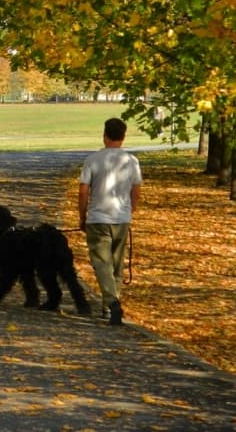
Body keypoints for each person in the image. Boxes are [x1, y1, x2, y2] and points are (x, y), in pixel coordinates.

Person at [78, 117, 142, 325]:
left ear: (104, 135)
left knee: (102, 263)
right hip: (121, 218)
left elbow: (83, 190)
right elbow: (136, 187)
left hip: (98, 218)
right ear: (123, 138)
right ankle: (110, 305)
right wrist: (131, 207)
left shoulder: (93, 160)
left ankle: (112, 303)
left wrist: (82, 215)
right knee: (116, 264)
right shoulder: (131, 161)